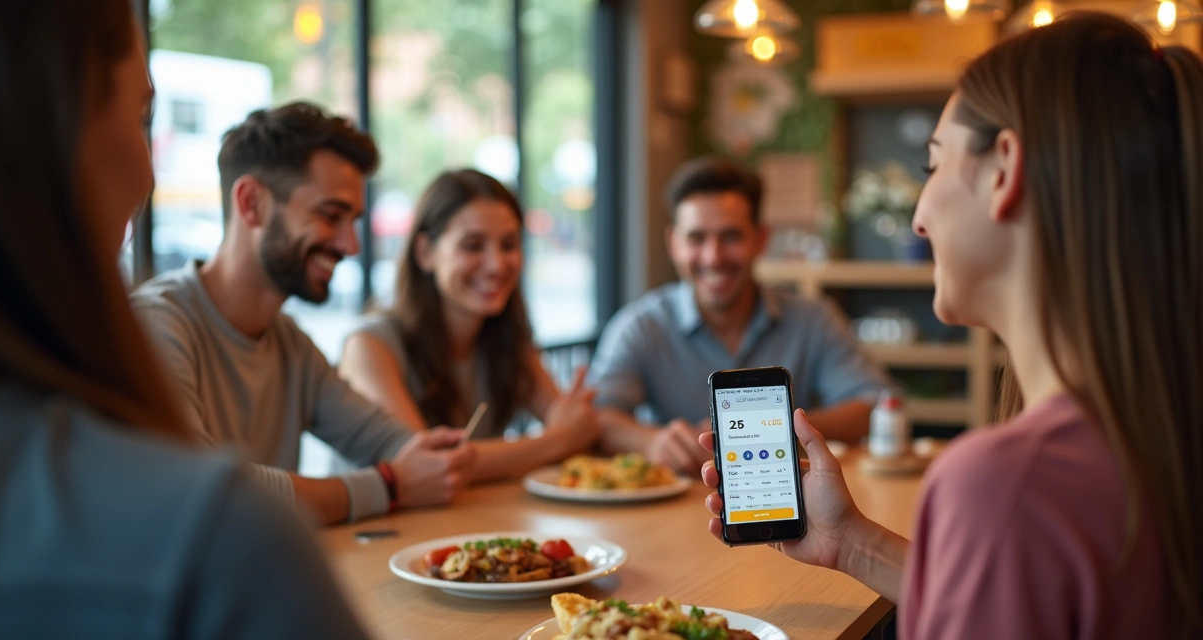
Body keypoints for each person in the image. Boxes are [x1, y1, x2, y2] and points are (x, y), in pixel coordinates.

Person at [700, 13, 1203, 637]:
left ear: (1003, 172)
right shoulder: (1154, 431)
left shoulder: (1005, 484)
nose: (918, 218)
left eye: (931, 167)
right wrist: (853, 543)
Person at [0, 1, 370, 637]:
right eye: (141, 118)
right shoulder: (214, 537)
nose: (148, 169)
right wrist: (383, 484)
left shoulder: (290, 344)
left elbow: (405, 451)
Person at [131, 103, 476, 526]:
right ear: (251, 202)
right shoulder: (155, 325)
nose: (351, 245)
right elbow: (202, 490)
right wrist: (388, 486)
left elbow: (392, 444)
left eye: (353, 221)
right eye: (330, 216)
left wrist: (432, 460)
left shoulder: (289, 342)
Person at [588, 157, 889, 476]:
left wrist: (770, 425)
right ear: (674, 243)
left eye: (731, 237)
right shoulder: (641, 325)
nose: (713, 257)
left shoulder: (812, 319)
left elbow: (876, 404)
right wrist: (651, 443)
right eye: (696, 238)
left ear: (760, 240)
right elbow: (597, 418)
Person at [339, 169, 600, 483]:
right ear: (425, 253)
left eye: (508, 245)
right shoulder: (370, 346)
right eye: (473, 246)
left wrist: (573, 431)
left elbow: (576, 427)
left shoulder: (505, 338)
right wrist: (556, 442)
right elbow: (429, 467)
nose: (496, 265)